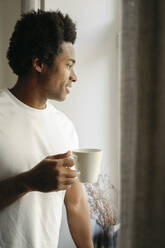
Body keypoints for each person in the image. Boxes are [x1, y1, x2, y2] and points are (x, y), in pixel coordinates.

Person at [0, 10, 94, 248]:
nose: (75, 77)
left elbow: (75, 203)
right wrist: (28, 182)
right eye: (69, 65)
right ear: (39, 63)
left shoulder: (65, 128)